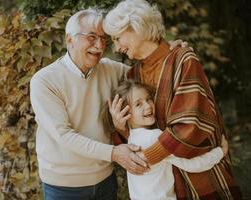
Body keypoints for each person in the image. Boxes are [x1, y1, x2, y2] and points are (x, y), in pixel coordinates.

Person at [103, 0, 242, 199]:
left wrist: (148, 157)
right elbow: (137, 136)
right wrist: (121, 126)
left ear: (136, 26)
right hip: (163, 182)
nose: (116, 48)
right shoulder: (132, 76)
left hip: (200, 171)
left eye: (117, 38)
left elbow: (191, 125)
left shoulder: (184, 60)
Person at [30, 9, 152, 200]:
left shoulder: (110, 69)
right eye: (92, 37)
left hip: (105, 182)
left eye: (104, 39)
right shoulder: (44, 81)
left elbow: (150, 74)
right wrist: (114, 153)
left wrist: (170, 52)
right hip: (63, 188)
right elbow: (64, 135)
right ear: (69, 39)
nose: (99, 45)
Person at [103, 80, 229, 200]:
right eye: (138, 104)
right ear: (125, 114)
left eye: (148, 99)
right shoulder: (154, 137)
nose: (148, 106)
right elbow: (192, 164)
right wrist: (220, 152)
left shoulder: (131, 138)